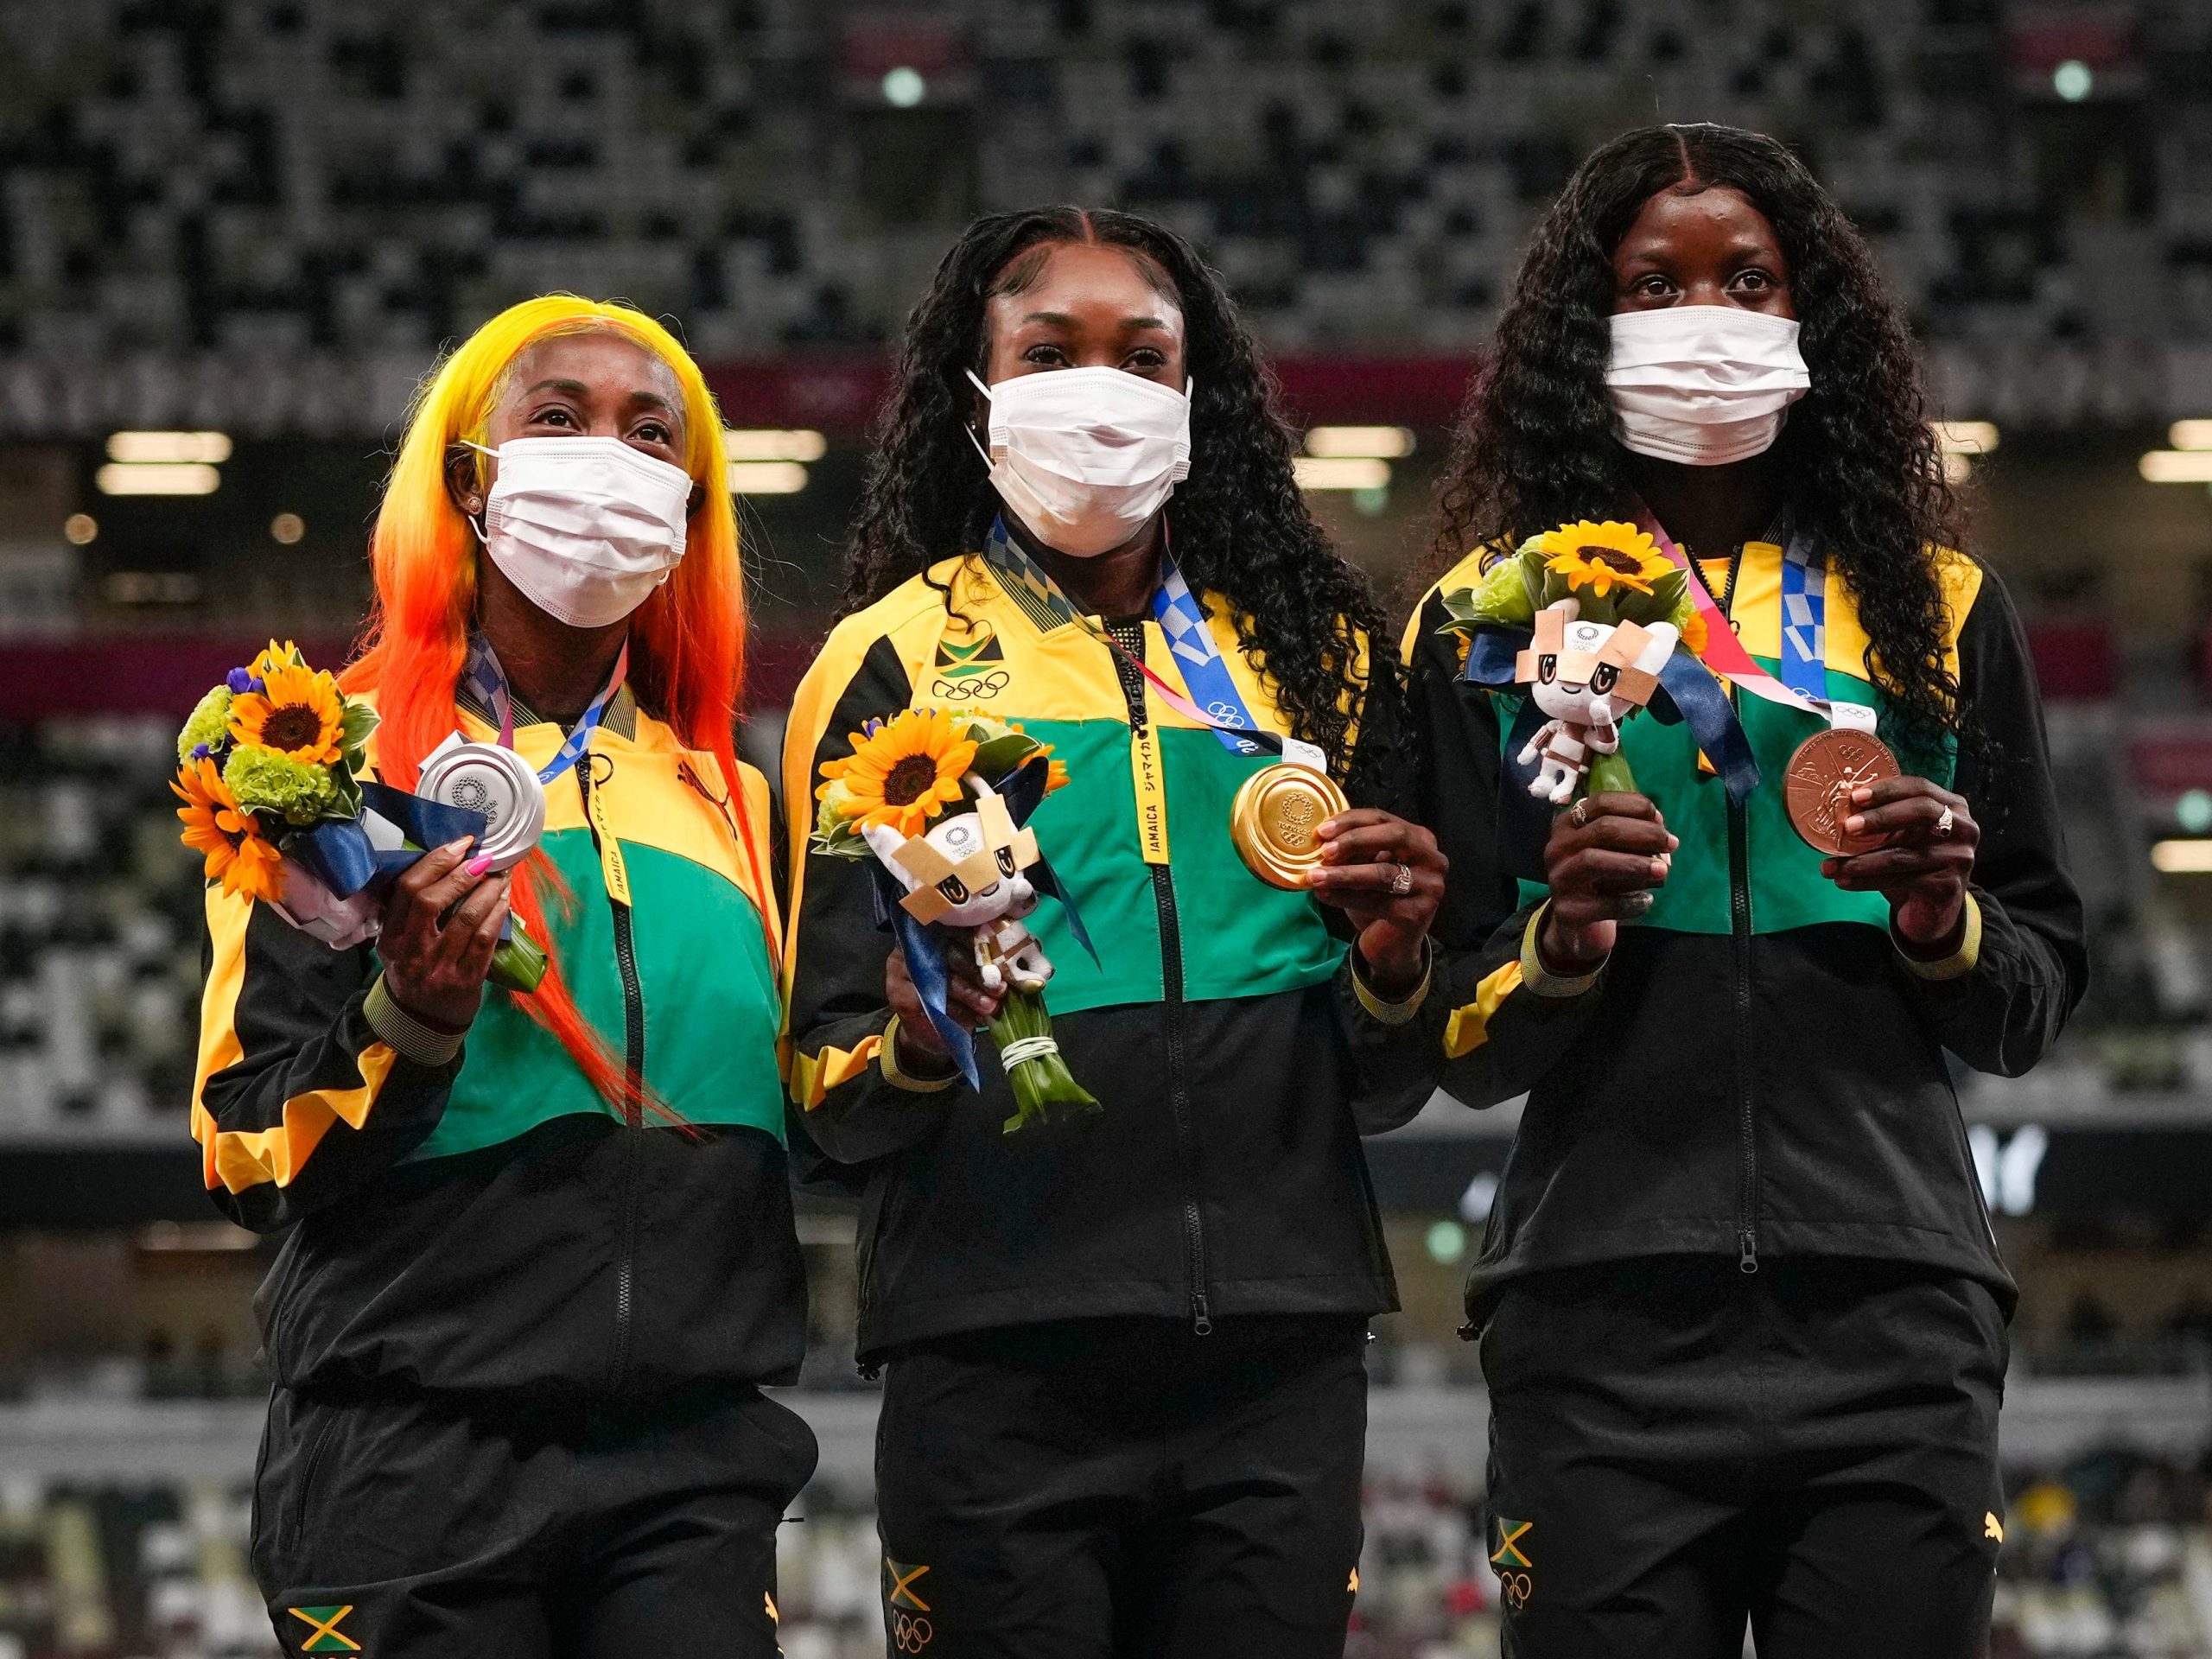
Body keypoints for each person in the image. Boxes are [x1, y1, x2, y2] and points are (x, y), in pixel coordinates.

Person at [1403, 125, 2087, 1656]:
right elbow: (1436, 1034)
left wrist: (1940, 924)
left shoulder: (1940, 610)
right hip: (1599, 1324)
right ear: (1589, 330)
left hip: (1892, 1319)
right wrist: (1559, 945)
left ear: (1805, 318)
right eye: (1654, 285)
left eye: (1744, 279)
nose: (1701, 316)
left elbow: (2035, 990)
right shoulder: (1481, 621)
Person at [781, 207, 1447, 1658]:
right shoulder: (884, 661)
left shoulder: (1317, 661)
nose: (1102, 387)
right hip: (995, 1356)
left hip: (1279, 1347)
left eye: (1143, 356)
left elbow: (1384, 1079)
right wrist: (907, 1037)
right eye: (1051, 350)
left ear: (1195, 400)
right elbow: (818, 1093)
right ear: (979, 397)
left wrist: (1396, 966)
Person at [188, 296, 814, 1656]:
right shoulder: (321, 766)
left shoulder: (736, 802)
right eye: (559, 419)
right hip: (410, 1461)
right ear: (470, 482)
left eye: (653, 435)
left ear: (690, 506)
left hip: (694, 1469)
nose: (610, 457)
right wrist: (408, 1018)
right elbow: (243, 1147)